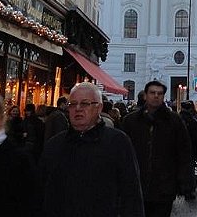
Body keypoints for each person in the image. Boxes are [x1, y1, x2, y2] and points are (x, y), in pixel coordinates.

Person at [39, 82, 144, 216]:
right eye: (73, 104)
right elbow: (41, 193)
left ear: (99, 108)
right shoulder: (55, 145)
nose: (78, 109)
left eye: (84, 104)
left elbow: (131, 193)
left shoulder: (118, 142)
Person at [122, 80, 194, 217]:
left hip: (164, 185)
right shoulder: (130, 121)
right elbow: (123, 153)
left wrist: (184, 180)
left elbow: (184, 151)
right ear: (145, 95)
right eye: (152, 93)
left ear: (163, 96)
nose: (156, 96)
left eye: (159, 93)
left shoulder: (174, 120)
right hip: (136, 184)